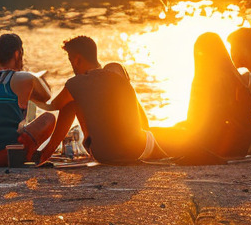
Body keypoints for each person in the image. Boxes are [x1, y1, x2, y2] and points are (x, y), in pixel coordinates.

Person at [34, 36, 165, 165]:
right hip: (136, 149)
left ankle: (45, 154)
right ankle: (163, 156)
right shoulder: (115, 74)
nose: (72, 65)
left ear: (77, 59)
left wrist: (33, 96)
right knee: (115, 68)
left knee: (70, 102)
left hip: (102, 155)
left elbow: (52, 106)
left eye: (70, 60)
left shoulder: (75, 84)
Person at [151, 33, 251, 161]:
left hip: (206, 143)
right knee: (160, 133)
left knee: (152, 135)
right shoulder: (235, 78)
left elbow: (201, 124)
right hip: (229, 141)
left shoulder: (209, 80)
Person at [0, 33, 56, 167]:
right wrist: (35, 78)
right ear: (17, 54)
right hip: (5, 155)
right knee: (49, 118)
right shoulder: (25, 78)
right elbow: (46, 96)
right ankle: (28, 157)